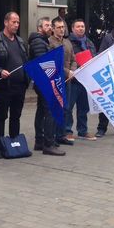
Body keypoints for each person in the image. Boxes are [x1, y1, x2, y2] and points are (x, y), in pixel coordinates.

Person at [0, 12, 29, 159]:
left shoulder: (20, 41)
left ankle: (14, 144)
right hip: (4, 86)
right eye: (13, 22)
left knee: (16, 116)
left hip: (20, 86)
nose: (16, 25)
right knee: (1, 116)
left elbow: (25, 60)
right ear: (6, 22)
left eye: (18, 22)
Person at [28, 17, 65, 156]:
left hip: (41, 81)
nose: (50, 27)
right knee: (49, 110)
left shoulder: (42, 40)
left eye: (50, 25)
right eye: (47, 25)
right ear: (39, 28)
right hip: (44, 81)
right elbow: (44, 62)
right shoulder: (38, 41)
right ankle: (48, 144)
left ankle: (39, 141)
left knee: (41, 110)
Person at [48, 17, 77, 145]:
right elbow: (53, 63)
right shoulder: (49, 42)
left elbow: (74, 59)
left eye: (63, 27)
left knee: (66, 108)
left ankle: (61, 135)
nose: (61, 29)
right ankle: (52, 135)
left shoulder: (68, 42)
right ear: (53, 28)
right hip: (55, 80)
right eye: (59, 27)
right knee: (56, 108)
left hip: (68, 80)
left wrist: (73, 71)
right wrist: (67, 72)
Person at [67, 19, 97, 140]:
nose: (81, 28)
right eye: (78, 26)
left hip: (86, 80)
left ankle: (82, 130)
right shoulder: (68, 42)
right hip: (73, 80)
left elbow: (94, 56)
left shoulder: (89, 42)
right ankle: (67, 130)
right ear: (72, 29)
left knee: (84, 108)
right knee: (69, 107)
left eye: (82, 26)